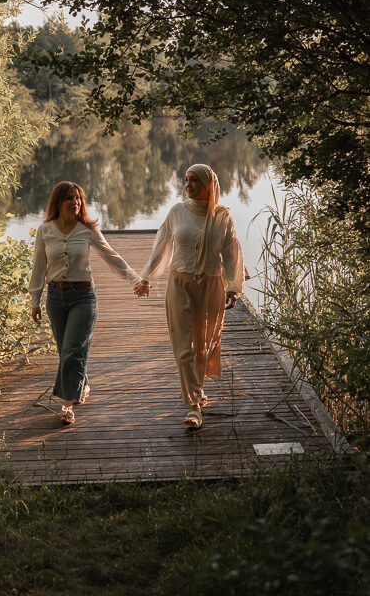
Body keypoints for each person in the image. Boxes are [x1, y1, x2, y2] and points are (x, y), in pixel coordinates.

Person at [134, 164, 244, 429]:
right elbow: (162, 246)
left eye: (194, 180)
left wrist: (234, 286)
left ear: (209, 184)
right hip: (180, 284)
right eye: (186, 180)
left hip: (211, 285)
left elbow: (232, 252)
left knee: (204, 344)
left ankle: (197, 388)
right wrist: (147, 277)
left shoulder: (222, 216)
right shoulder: (177, 212)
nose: (188, 185)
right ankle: (194, 405)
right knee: (185, 347)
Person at [29, 180, 141, 425]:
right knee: (66, 351)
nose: (76, 202)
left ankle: (67, 406)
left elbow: (112, 256)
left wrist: (134, 279)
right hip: (55, 298)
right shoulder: (45, 231)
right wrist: (35, 300)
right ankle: (83, 384)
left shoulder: (88, 230)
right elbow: (38, 267)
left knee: (72, 350)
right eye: (70, 198)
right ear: (58, 202)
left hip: (83, 297)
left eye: (78, 198)